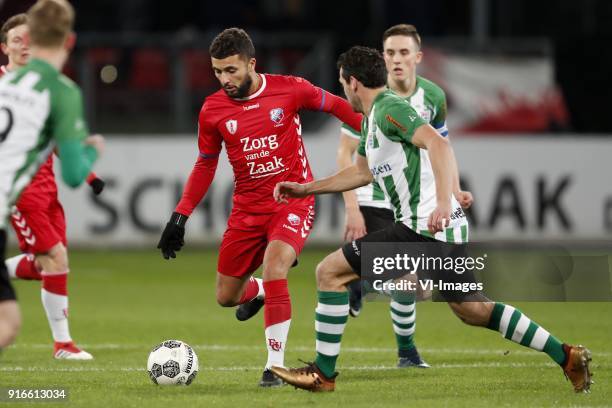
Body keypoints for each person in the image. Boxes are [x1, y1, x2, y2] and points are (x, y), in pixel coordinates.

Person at [270, 46, 592, 393]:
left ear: (352, 81)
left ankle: (323, 373)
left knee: (329, 272)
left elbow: (439, 145)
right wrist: (306, 189)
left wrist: (441, 202)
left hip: (424, 227)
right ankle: (567, 356)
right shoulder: (373, 120)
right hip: (439, 228)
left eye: (341, 82)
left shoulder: (390, 109)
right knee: (474, 310)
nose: (343, 90)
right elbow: (360, 173)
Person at [156, 28, 363, 387]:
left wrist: (381, 137)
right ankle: (263, 291)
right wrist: (180, 215)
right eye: (218, 71)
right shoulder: (212, 110)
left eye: (231, 70)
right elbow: (205, 164)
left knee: (276, 265)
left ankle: (274, 367)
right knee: (226, 296)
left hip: (292, 202)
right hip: (246, 211)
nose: (224, 79)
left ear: (252, 63)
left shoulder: (291, 88)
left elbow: (338, 106)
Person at [338, 24, 474, 369]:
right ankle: (407, 351)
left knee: (417, 287)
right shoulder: (368, 96)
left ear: (417, 57)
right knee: (405, 280)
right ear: (382, 59)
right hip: (375, 195)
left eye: (402, 53)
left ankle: (364, 286)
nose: (396, 60)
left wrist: (453, 191)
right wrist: (352, 209)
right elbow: (348, 157)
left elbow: (442, 146)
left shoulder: (432, 97)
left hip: (413, 200)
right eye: (389, 53)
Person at [0, 0, 104, 355]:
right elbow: (73, 169)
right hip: (16, 192)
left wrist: (90, 175)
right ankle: (63, 344)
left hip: (40, 188)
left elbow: (57, 147)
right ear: (69, 41)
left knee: (51, 264)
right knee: (54, 261)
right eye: (16, 39)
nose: (23, 45)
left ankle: (63, 343)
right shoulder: (61, 91)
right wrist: (92, 150)